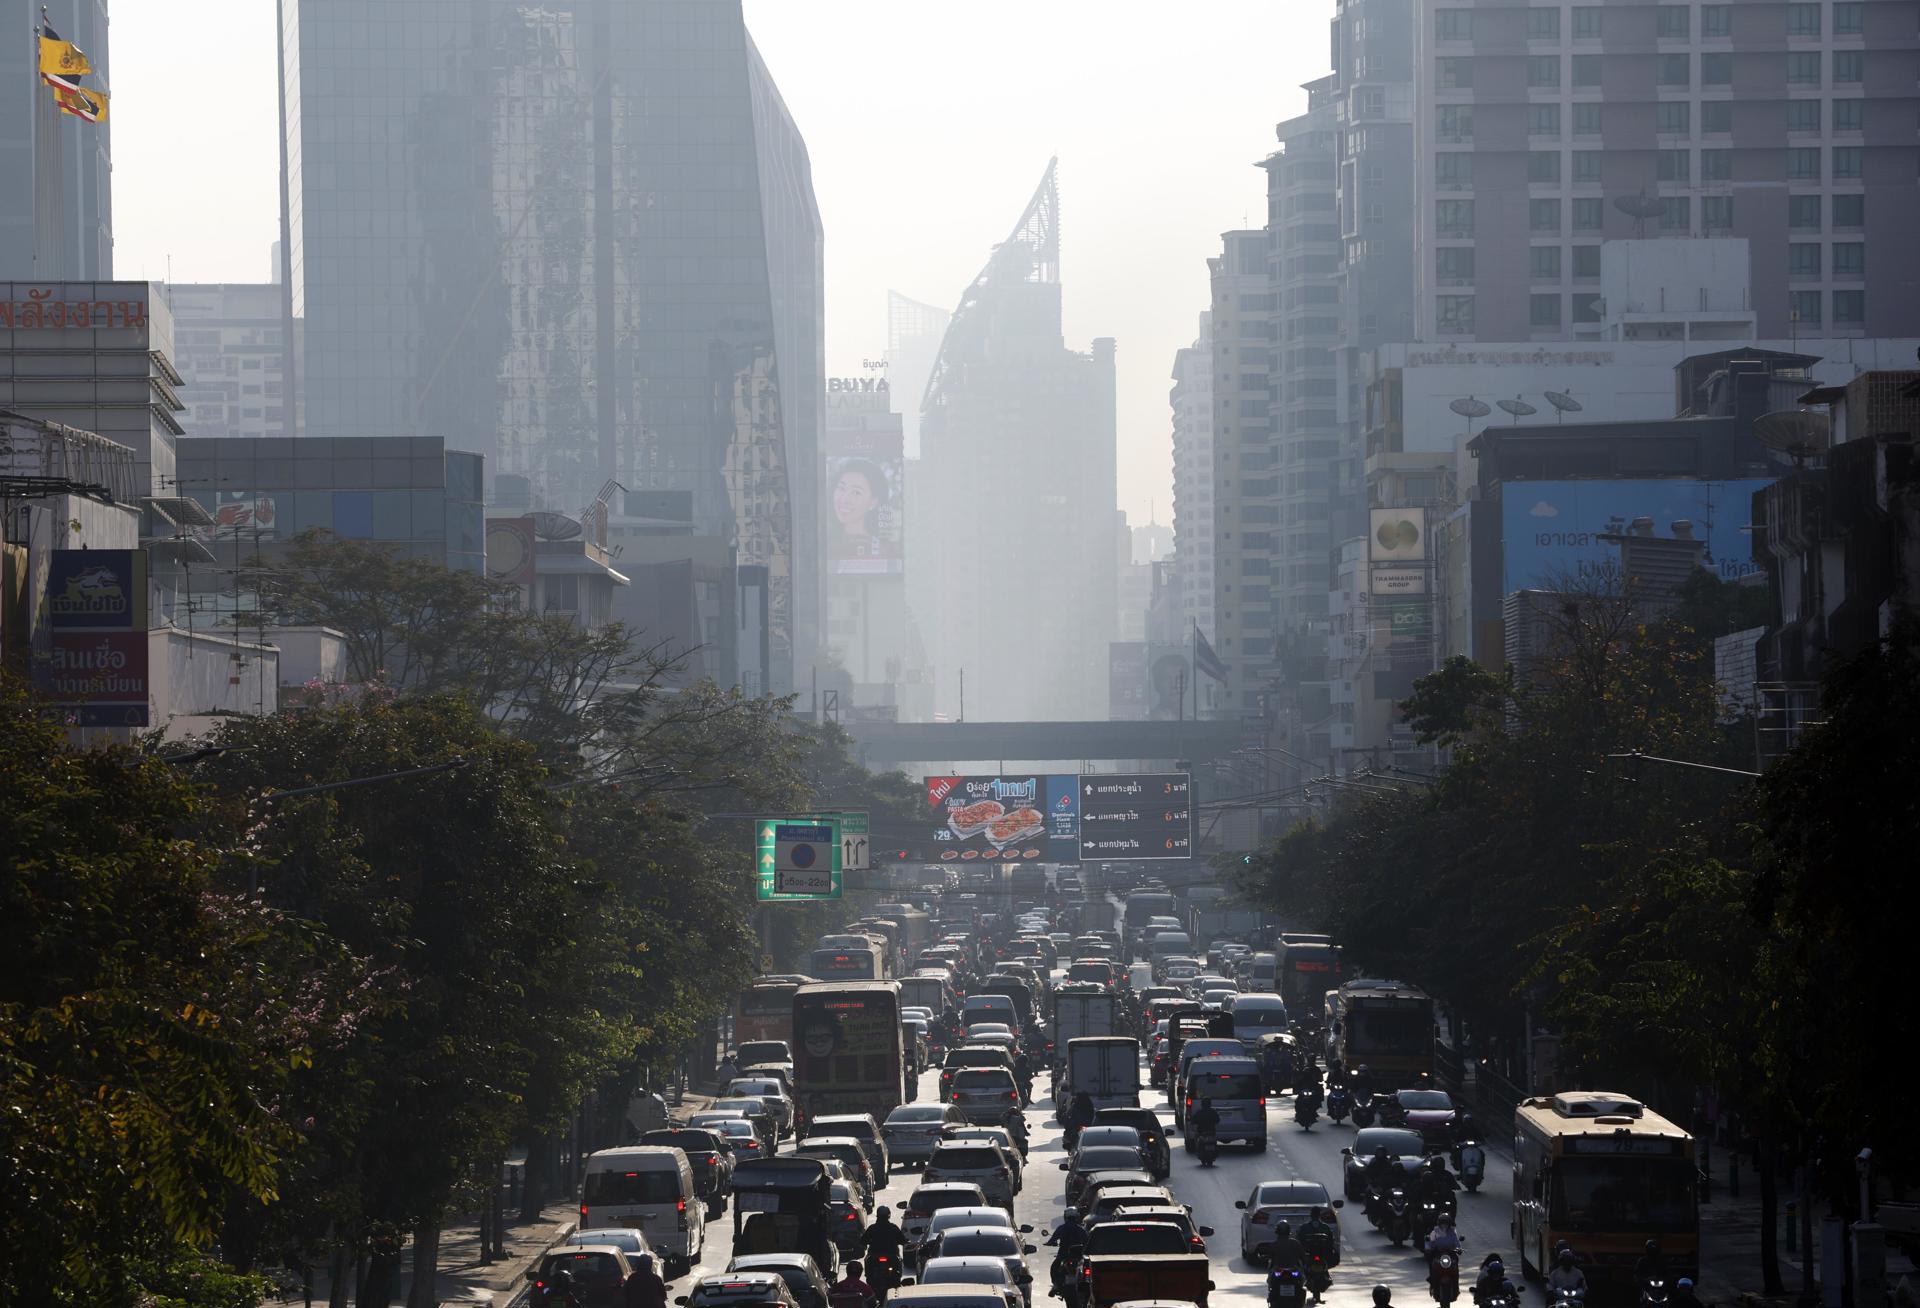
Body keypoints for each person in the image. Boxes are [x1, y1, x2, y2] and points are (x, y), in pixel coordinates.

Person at [863, 1206, 905, 1292]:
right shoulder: (893, 1227)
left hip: (878, 1256)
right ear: (888, 1216)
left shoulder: (872, 1228)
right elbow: (902, 1240)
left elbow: (863, 1240)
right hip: (888, 1256)